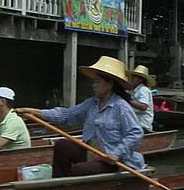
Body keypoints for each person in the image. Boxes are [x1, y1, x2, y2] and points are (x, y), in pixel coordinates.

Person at [16, 56, 144, 178]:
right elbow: (66, 115)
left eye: (97, 82)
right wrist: (33, 111)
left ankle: (74, 185)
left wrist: (116, 154)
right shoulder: (91, 103)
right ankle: (60, 183)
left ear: (110, 84)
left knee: (79, 169)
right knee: (62, 146)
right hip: (90, 152)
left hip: (111, 159)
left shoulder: (121, 107)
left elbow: (135, 133)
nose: (93, 85)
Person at [126, 65, 155, 133]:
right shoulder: (136, 91)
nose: (131, 79)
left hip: (142, 125)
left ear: (140, 79)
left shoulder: (143, 90)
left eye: (133, 77)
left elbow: (143, 106)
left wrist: (129, 100)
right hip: (135, 124)